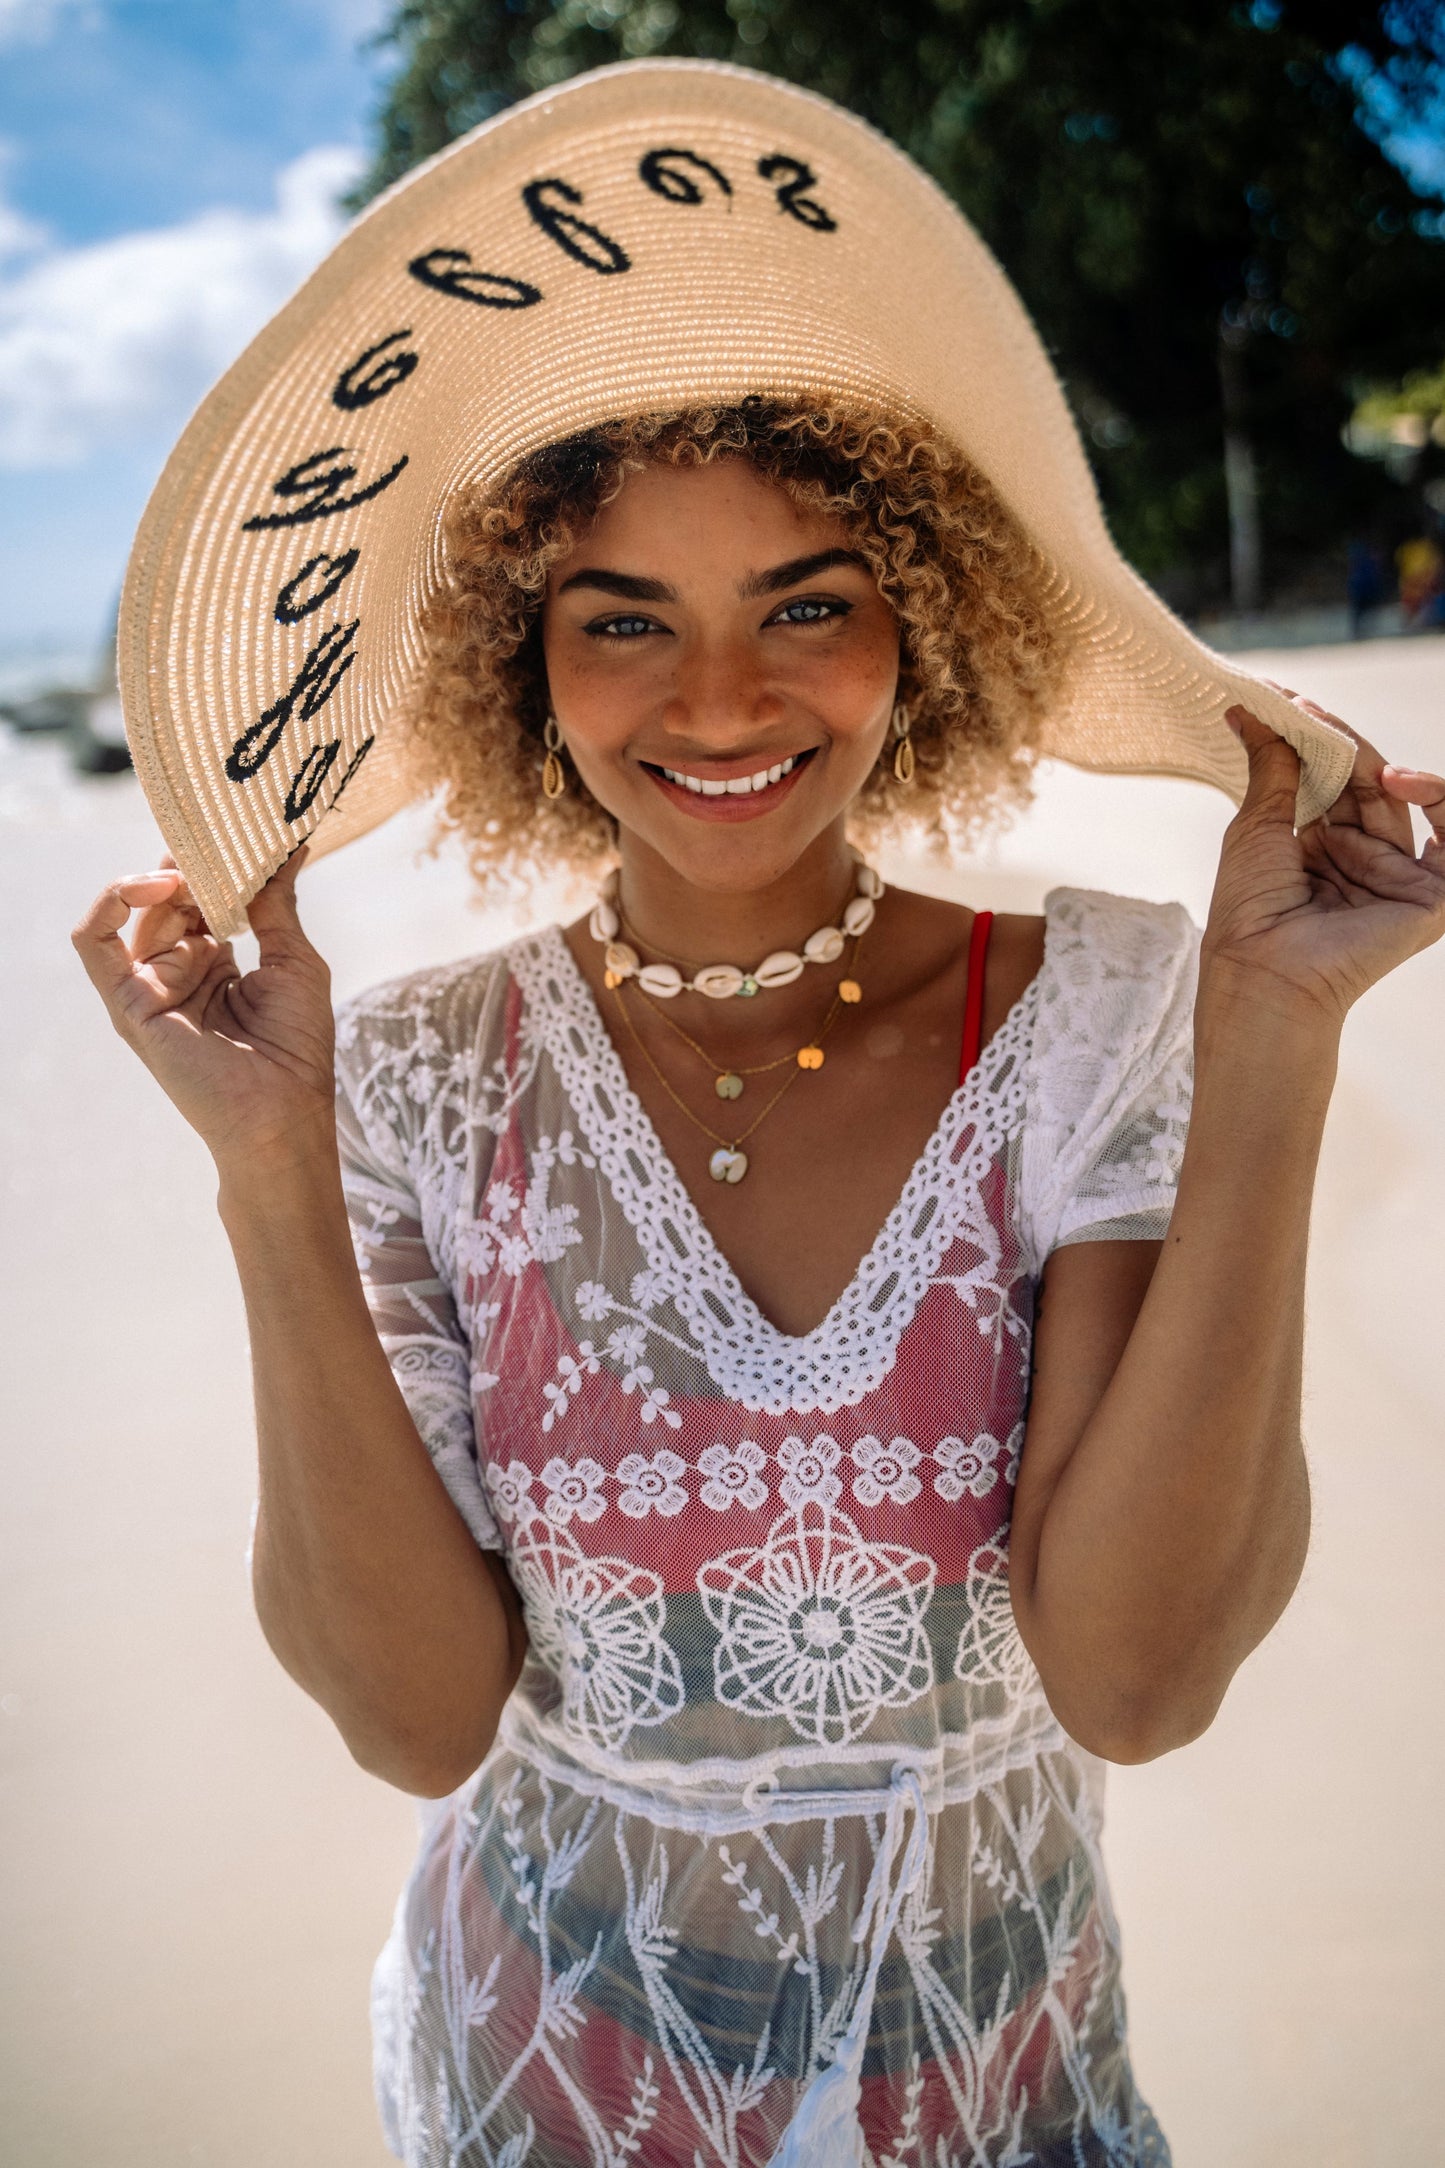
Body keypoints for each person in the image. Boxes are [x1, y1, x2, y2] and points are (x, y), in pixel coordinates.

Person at [72, 63, 1445, 2168]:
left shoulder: (1084, 1004)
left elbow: (1139, 1682)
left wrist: (1272, 1028)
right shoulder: (424, 1071)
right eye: (624, 623)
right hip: (538, 2087)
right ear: (520, 669)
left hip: (1006, 2102)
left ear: (930, 619)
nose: (719, 704)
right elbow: (413, 1716)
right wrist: (270, 1167)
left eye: (809, 600)